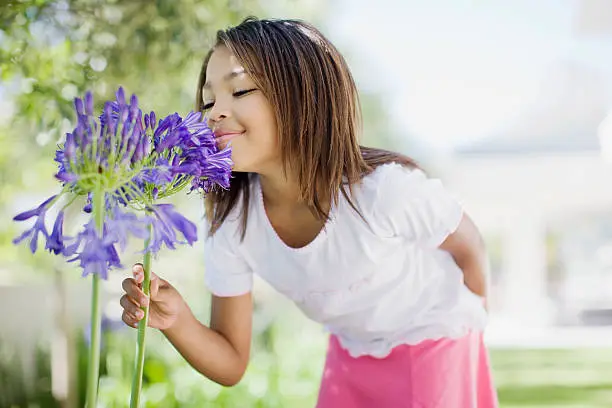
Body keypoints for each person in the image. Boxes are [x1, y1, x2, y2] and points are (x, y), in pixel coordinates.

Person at [120, 17, 499, 407]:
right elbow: (231, 362)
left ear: (305, 98)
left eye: (240, 89)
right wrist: (176, 319)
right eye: (209, 99)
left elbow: (468, 244)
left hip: (435, 338)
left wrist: (472, 319)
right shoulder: (233, 222)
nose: (215, 112)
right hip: (351, 351)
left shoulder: (384, 191)